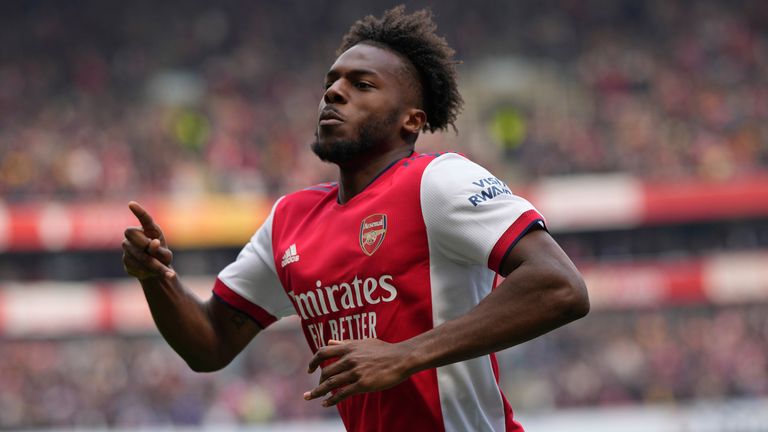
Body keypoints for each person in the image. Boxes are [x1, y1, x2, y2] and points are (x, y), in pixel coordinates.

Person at [122, 6, 589, 431]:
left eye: (361, 85)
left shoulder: (438, 182)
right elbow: (210, 343)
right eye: (332, 82)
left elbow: (560, 286)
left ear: (411, 121)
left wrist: (406, 355)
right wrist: (156, 278)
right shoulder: (290, 220)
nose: (334, 93)